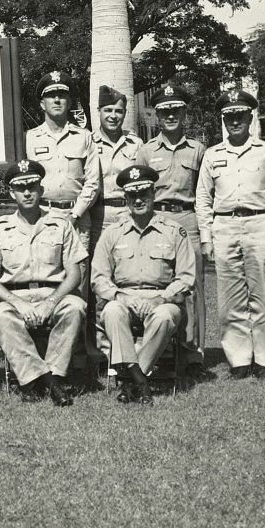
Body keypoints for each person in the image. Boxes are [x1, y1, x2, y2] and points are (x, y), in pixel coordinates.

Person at [195, 89, 265, 378]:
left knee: (261, 294)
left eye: (240, 115)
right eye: (230, 117)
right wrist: (206, 238)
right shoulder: (213, 155)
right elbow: (203, 199)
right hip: (224, 227)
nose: (235, 121)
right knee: (230, 297)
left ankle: (263, 359)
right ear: (224, 120)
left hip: (260, 224)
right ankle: (238, 359)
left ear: (250, 117)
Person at [0, 159, 87, 405]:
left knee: (75, 307)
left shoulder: (61, 225)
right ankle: (46, 382)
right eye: (20, 188)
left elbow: (74, 273)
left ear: (41, 189)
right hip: (15, 297)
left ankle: (49, 378)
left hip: (54, 294)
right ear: (11, 192)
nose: (27, 192)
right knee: (1, 316)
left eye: (32, 186)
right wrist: (19, 303)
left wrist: (50, 302)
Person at [92, 165, 196, 404]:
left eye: (144, 194)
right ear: (125, 199)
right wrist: (122, 298)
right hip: (124, 299)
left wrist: (162, 299)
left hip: (162, 300)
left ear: (154, 194)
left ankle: (129, 380)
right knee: (111, 311)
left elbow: (186, 277)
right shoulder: (112, 233)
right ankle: (141, 381)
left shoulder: (173, 231)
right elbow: (98, 278)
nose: (139, 200)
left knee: (164, 317)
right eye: (133, 195)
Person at [135, 84, 209, 379]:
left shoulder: (198, 150)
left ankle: (194, 355)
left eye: (176, 110)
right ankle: (164, 350)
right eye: (165, 111)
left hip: (188, 219)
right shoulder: (147, 150)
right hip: (158, 219)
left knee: (193, 287)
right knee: (160, 284)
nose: (170, 116)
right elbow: (138, 190)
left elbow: (205, 192)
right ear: (157, 115)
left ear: (184, 113)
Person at [24, 69, 100, 294]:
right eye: (51, 95)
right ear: (42, 103)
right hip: (42, 219)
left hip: (76, 220)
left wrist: (75, 215)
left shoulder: (84, 137)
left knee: (78, 286)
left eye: (62, 95)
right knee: (44, 283)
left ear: (69, 101)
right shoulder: (30, 138)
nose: (57, 100)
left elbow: (92, 182)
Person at [92, 84, 142, 237]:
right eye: (108, 110)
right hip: (98, 217)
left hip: (128, 215)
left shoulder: (136, 144)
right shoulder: (89, 143)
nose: (113, 116)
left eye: (118, 111)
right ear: (98, 111)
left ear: (125, 113)